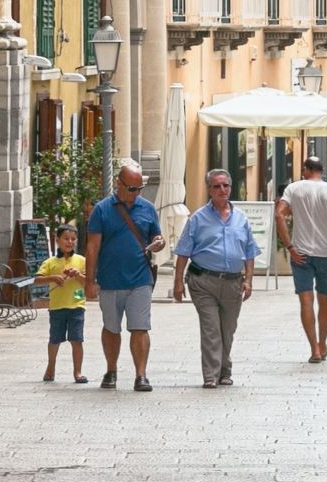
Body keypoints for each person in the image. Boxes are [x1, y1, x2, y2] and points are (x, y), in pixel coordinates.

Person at [171, 168, 258, 387]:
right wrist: (178, 282)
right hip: (203, 282)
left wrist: (248, 280)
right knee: (211, 329)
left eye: (225, 185)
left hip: (233, 282)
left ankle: (224, 371)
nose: (222, 190)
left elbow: (249, 252)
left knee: (227, 330)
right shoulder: (198, 219)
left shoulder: (241, 218)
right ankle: (210, 375)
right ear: (209, 190)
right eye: (217, 186)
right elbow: (183, 252)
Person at [84, 158, 166, 391]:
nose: (136, 193)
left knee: (140, 327)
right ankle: (111, 370)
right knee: (111, 328)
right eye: (132, 188)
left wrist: (158, 242)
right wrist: (89, 282)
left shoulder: (148, 208)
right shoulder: (101, 210)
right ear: (118, 184)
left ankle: (141, 375)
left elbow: (156, 237)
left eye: (139, 188)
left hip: (140, 278)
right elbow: (92, 247)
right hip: (110, 280)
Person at [277, 156, 327, 365]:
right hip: (326, 253)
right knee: (325, 301)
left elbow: (279, 215)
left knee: (306, 301)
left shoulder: (293, 189)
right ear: (322, 170)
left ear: (306, 169)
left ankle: (314, 349)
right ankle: (323, 343)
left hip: (301, 253)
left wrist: (289, 246)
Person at [37, 224, 92, 384]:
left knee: (77, 339)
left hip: (77, 306)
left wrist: (78, 275)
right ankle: (50, 367)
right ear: (57, 240)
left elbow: (88, 282)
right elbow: (37, 279)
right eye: (66, 238)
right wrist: (53, 278)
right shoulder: (50, 262)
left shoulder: (81, 261)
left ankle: (78, 372)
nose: (70, 242)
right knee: (55, 339)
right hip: (56, 307)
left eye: (73, 239)